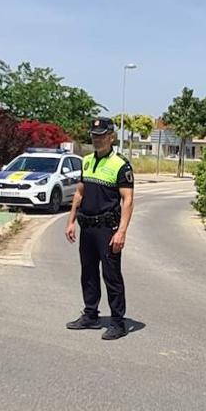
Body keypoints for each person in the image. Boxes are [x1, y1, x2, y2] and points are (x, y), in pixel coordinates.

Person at [65, 116, 135, 340]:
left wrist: (121, 231)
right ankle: (91, 314)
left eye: (102, 135)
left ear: (112, 137)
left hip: (108, 229)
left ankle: (118, 322)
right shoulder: (86, 161)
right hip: (88, 228)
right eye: (94, 136)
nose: (97, 139)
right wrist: (71, 220)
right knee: (88, 273)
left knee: (111, 275)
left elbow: (128, 200)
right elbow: (80, 192)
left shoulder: (121, 165)